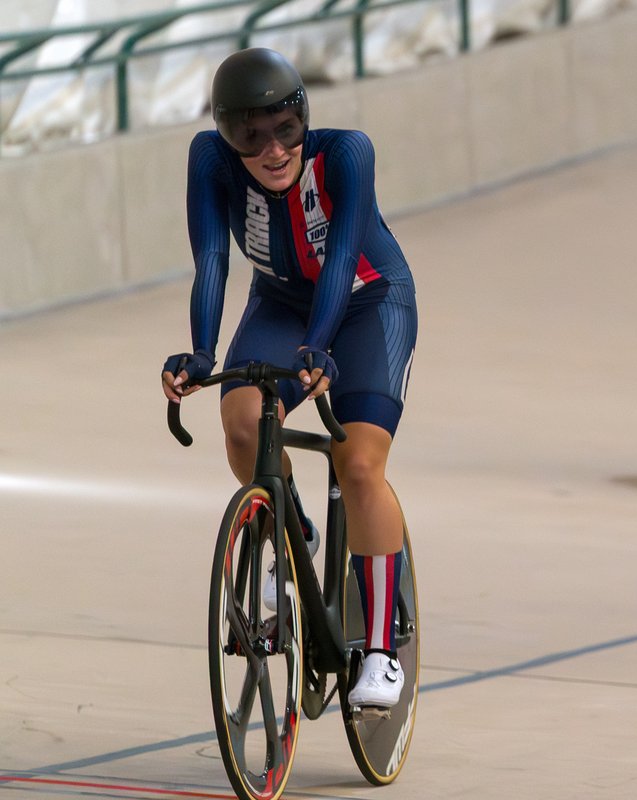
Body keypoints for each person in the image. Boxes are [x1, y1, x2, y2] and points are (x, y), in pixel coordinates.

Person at [160, 47, 418, 710]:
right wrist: (199, 351)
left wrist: (318, 346)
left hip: (365, 301)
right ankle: (292, 532)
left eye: (286, 128)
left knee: (359, 463)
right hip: (278, 301)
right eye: (252, 134)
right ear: (226, 135)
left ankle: (384, 649)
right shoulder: (209, 160)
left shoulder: (347, 152)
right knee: (243, 423)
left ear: (305, 117)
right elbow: (212, 258)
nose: (274, 150)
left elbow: (336, 264)